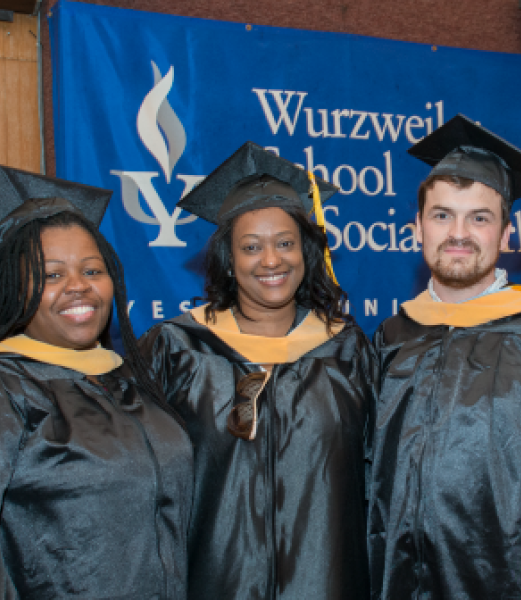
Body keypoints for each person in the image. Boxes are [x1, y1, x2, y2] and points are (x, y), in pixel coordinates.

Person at [0, 165, 193, 599]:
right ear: (12, 289)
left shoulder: (126, 380)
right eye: (52, 275)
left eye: (93, 271)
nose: (78, 287)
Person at [139, 142, 375, 599]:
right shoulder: (176, 350)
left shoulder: (348, 353)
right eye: (251, 247)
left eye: (285, 243)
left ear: (305, 251)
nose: (271, 260)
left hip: (327, 584)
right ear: (229, 258)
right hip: (213, 584)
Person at [368, 114, 521, 599]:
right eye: (442, 215)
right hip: (400, 583)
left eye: (479, 218)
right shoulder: (392, 335)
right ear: (417, 228)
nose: (458, 233)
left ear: (507, 235)